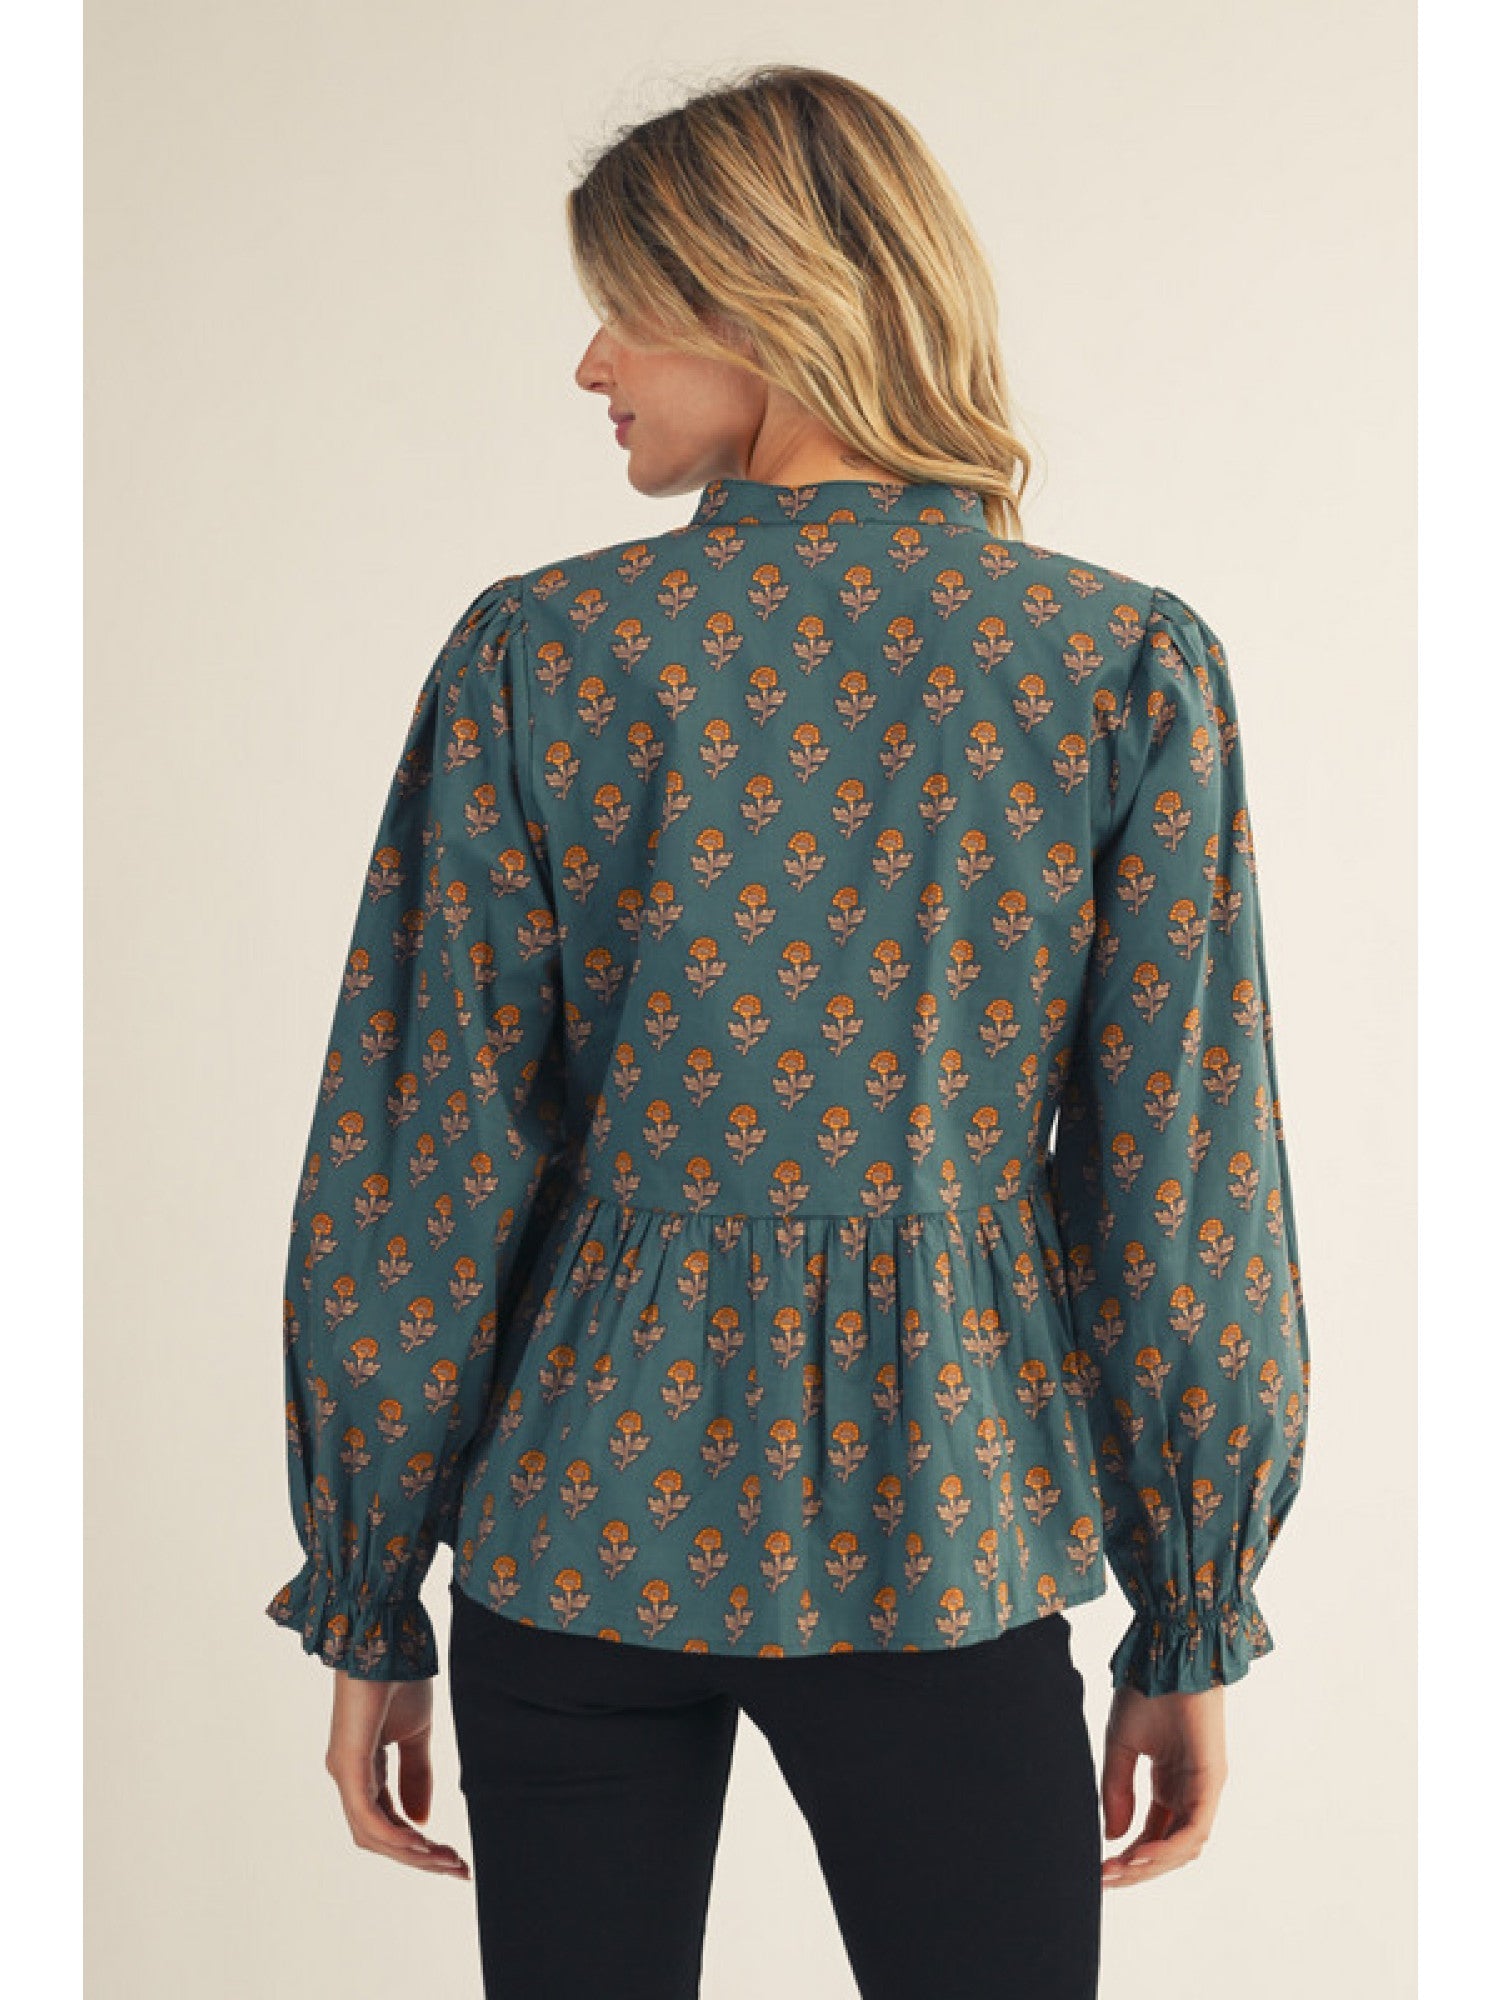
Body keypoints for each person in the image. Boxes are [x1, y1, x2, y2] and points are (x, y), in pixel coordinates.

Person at [264, 62, 1311, 2000]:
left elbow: (417, 1163)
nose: (590, 362)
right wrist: (1189, 1612)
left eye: (627, 307)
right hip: (946, 1539)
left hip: (571, 1538)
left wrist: (370, 1590)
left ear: (769, 301)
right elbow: (1184, 1192)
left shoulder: (545, 651)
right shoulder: (1115, 664)